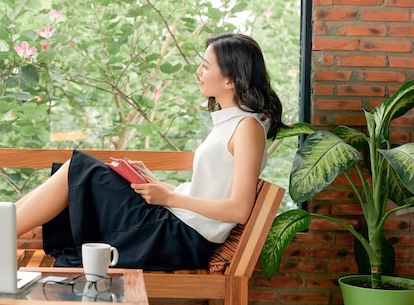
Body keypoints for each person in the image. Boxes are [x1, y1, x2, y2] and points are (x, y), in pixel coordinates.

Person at [15, 33, 288, 271]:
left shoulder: (247, 127)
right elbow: (208, 192)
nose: (198, 72)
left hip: (181, 237)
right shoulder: (230, 122)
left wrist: (168, 197)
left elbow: (239, 210)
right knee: (78, 171)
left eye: (206, 66)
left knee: (80, 170)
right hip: (178, 224)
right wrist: (154, 183)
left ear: (230, 80)